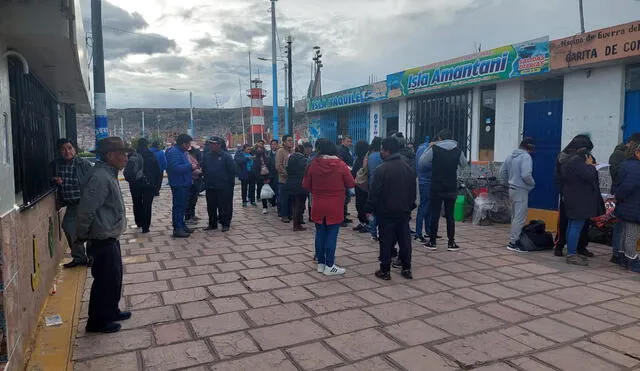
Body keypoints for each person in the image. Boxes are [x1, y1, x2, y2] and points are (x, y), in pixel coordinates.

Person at [76, 137, 131, 333]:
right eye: (123, 153)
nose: (126, 157)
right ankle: (97, 321)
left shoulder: (109, 173)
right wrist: (81, 235)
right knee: (105, 280)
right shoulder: (100, 176)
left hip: (110, 235)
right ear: (110, 156)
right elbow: (86, 209)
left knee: (114, 277)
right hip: (101, 237)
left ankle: (111, 311)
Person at [303, 138, 355, 276]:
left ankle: (321, 264)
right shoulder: (340, 165)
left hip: (318, 204)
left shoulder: (313, 164)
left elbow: (306, 185)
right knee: (332, 235)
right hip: (335, 206)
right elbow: (350, 183)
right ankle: (330, 265)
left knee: (320, 234)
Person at [367, 137, 416, 280]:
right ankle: (406, 269)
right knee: (404, 240)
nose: (381, 152)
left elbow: (374, 193)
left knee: (386, 241)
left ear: (387, 151)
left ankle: (385, 270)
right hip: (403, 211)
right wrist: (409, 206)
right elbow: (413, 192)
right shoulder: (408, 168)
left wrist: (369, 208)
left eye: (382, 149)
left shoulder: (381, 170)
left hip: (385, 212)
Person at [421, 129, 467, 251]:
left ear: (440, 138)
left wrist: (430, 149)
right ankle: (451, 242)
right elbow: (464, 165)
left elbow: (422, 162)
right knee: (450, 215)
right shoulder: (458, 150)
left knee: (435, 214)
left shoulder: (434, 149)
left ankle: (432, 242)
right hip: (451, 186)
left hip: (436, 186)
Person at [51, 139, 93, 268]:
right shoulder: (56, 165)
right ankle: (79, 257)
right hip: (71, 205)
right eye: (63, 149)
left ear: (75, 149)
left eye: (69, 148)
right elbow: (48, 179)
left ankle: (92, 257)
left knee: (91, 231)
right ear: (59, 152)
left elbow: (93, 182)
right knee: (68, 228)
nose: (67, 151)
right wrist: (54, 180)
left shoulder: (83, 164)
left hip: (85, 203)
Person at [561, 147, 604, 266]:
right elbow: (590, 176)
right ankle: (571, 255)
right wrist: (591, 166)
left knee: (571, 224)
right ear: (586, 156)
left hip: (571, 198)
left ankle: (570, 250)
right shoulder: (578, 164)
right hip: (579, 200)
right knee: (576, 225)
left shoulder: (568, 161)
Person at [554, 135, 594, 257]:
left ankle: (580, 246)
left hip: (575, 195)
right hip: (572, 194)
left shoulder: (584, 157)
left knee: (578, 223)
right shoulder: (565, 158)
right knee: (567, 222)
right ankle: (561, 246)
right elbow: (558, 176)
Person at [500, 137, 536, 252]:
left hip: (512, 189)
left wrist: (509, 182)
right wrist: (532, 184)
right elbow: (526, 174)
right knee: (519, 217)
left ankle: (514, 238)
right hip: (521, 190)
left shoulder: (510, 155)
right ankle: (514, 242)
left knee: (515, 216)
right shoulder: (526, 157)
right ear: (529, 148)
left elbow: (502, 172)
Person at [612, 143, 640, 272]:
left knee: (624, 232)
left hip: (625, 205)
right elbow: (628, 186)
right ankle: (632, 260)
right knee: (632, 233)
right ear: (637, 152)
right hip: (633, 206)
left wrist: (618, 197)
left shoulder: (625, 164)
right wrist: (620, 196)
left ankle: (622, 256)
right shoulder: (637, 167)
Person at [127, 138, 161, 234]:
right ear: (147, 145)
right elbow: (157, 171)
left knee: (136, 202)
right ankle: (145, 227)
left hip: (135, 183)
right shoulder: (151, 155)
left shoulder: (132, 155)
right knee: (147, 205)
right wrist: (156, 186)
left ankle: (138, 222)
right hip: (148, 183)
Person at [202, 137, 236, 232]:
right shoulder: (207, 156)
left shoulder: (226, 156)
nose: (212, 145)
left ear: (219, 145)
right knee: (211, 206)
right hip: (210, 185)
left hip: (223, 186)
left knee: (224, 206)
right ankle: (212, 224)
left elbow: (232, 171)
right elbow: (204, 168)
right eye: (211, 144)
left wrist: (230, 185)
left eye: (214, 144)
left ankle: (225, 224)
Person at [166, 134, 195, 238]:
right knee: (178, 207)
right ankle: (177, 228)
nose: (189, 146)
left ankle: (182, 225)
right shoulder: (173, 152)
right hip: (179, 183)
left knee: (182, 206)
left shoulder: (182, 152)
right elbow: (174, 168)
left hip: (185, 182)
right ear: (183, 143)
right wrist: (190, 166)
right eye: (188, 144)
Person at [287, 145, 310, 231]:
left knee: (295, 204)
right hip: (300, 184)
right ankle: (297, 225)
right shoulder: (303, 159)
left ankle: (296, 223)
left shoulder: (291, 157)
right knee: (299, 205)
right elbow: (306, 171)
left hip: (291, 183)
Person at [414, 136, 432, 243]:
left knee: (427, 207)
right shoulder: (426, 150)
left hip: (423, 180)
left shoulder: (421, 148)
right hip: (426, 181)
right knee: (424, 207)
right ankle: (419, 233)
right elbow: (423, 165)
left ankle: (427, 232)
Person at [352, 140, 370, 233]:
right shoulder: (359, 158)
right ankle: (362, 222)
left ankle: (367, 223)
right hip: (359, 185)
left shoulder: (367, 158)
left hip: (364, 185)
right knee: (359, 205)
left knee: (363, 205)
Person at [367, 137, 383, 241]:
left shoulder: (370, 156)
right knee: (380, 210)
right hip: (381, 185)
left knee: (372, 210)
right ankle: (379, 231)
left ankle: (372, 232)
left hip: (371, 184)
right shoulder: (381, 156)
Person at [276, 134, 295, 223]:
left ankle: (291, 214)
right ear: (284, 142)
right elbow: (278, 165)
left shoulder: (293, 151)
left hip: (292, 179)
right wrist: (285, 173)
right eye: (289, 140)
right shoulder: (280, 151)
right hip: (283, 179)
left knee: (291, 198)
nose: (291, 142)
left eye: (292, 140)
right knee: (284, 198)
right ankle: (284, 215)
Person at [253, 142, 274, 214]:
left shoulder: (268, 157)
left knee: (271, 190)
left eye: (261, 148)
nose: (259, 149)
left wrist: (269, 177)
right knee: (263, 192)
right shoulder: (255, 159)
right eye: (258, 148)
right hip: (260, 177)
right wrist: (260, 178)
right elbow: (255, 170)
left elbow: (271, 167)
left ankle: (272, 201)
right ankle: (264, 206)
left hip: (268, 176)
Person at [338, 136, 354, 226]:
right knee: (344, 197)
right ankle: (341, 218)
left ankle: (344, 216)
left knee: (347, 197)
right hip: (344, 173)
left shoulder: (347, 149)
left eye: (350, 141)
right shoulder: (341, 150)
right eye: (348, 141)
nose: (349, 143)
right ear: (343, 141)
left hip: (348, 172)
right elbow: (342, 162)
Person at [185, 146, 204, 224]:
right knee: (190, 199)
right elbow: (191, 168)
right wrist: (200, 171)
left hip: (196, 179)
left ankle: (192, 214)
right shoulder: (187, 157)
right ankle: (188, 217)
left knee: (194, 199)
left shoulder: (192, 158)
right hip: (191, 180)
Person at [268, 139, 280, 208]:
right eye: (272, 144)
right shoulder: (268, 153)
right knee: (271, 188)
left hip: (278, 174)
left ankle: (277, 202)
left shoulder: (279, 153)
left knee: (277, 189)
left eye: (275, 144)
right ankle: (272, 201)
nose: (273, 146)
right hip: (270, 174)